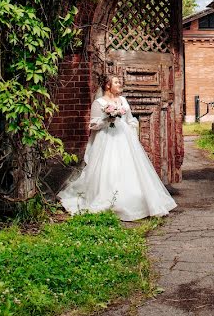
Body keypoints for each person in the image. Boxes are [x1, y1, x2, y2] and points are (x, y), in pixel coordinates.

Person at [58, 74, 177, 221]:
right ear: (108, 85)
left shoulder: (123, 100)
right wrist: (108, 118)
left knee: (128, 168)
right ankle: (108, 199)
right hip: (106, 139)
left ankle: (134, 200)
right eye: (116, 82)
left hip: (124, 138)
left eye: (119, 82)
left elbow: (130, 119)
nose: (120, 84)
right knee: (109, 168)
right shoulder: (99, 103)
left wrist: (131, 129)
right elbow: (93, 125)